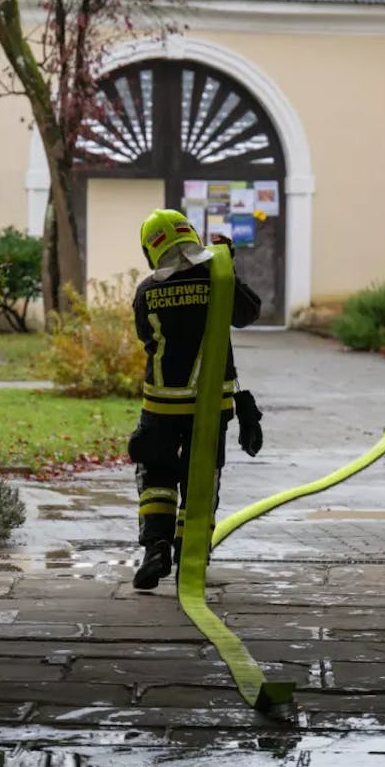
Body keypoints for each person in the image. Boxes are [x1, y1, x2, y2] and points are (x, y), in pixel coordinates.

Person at [129, 209, 263, 590]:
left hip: (160, 405)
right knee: (201, 475)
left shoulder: (147, 292)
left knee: (155, 474)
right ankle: (190, 549)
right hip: (210, 408)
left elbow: (144, 335)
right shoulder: (218, 281)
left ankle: (155, 548)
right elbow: (248, 313)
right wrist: (228, 269)